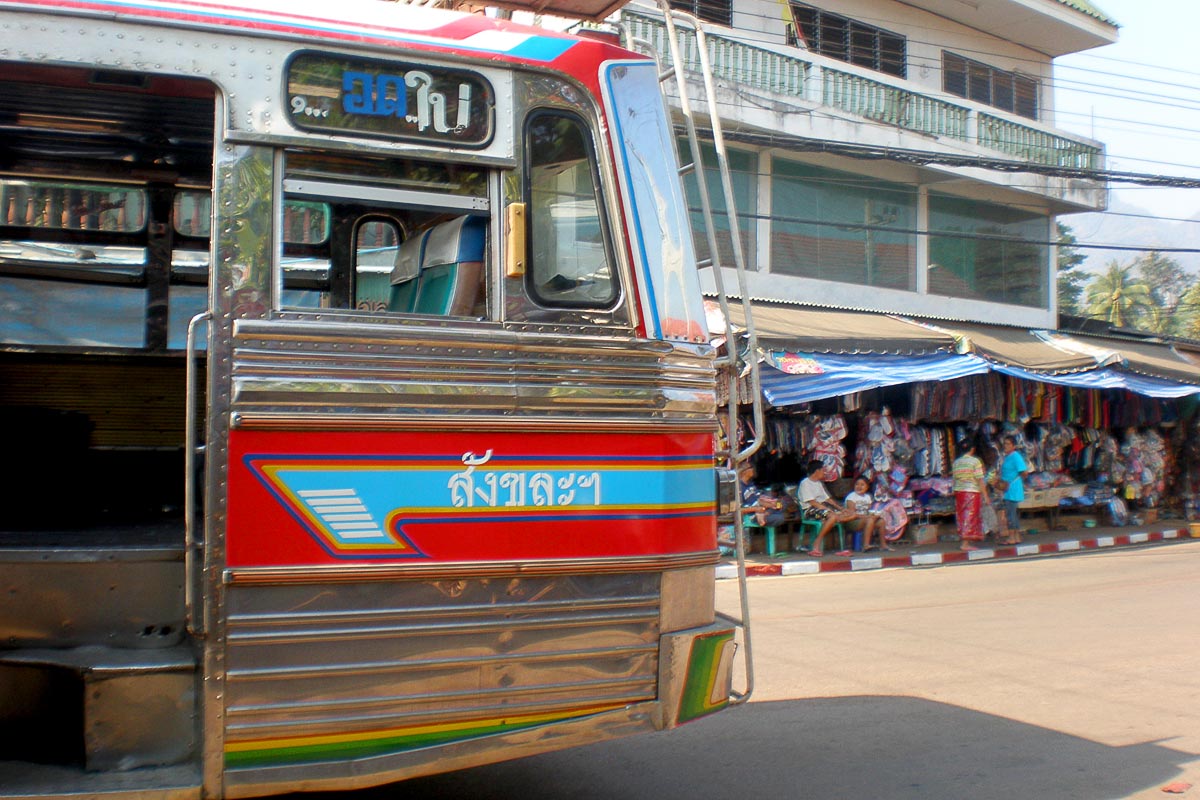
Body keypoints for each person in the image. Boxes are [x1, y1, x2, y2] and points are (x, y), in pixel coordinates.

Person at [798, 460, 857, 557]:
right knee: (832, 517)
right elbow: (812, 502)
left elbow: (828, 499)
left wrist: (841, 509)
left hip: (822, 510)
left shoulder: (818, 483)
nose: (824, 473)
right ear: (817, 471)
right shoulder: (805, 483)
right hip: (809, 511)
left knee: (852, 515)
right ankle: (817, 543)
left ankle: (833, 521)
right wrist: (829, 510)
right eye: (823, 470)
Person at [952, 435, 990, 551]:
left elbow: (955, 479)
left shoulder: (956, 462)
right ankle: (965, 543)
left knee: (962, 515)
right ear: (972, 449)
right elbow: (980, 480)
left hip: (959, 492)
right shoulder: (975, 461)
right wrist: (986, 495)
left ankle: (965, 540)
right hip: (971, 492)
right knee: (970, 516)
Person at [844, 475, 889, 552]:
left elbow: (869, 511)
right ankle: (866, 545)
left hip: (865, 520)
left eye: (862, 485)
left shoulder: (868, 497)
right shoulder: (851, 497)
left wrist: (874, 515)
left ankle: (883, 545)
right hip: (852, 521)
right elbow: (852, 514)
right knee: (870, 520)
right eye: (857, 484)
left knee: (881, 521)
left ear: (867, 487)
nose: (859, 486)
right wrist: (867, 517)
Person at [996, 435, 1028, 545]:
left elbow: (1024, 472)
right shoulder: (1007, 457)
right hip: (1008, 489)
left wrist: (1014, 482)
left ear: (1014, 446)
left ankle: (1011, 537)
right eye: (1004, 444)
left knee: (1010, 514)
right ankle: (1017, 536)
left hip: (1012, 489)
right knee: (1012, 513)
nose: (1005, 446)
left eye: (1008, 444)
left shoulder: (1016, 456)